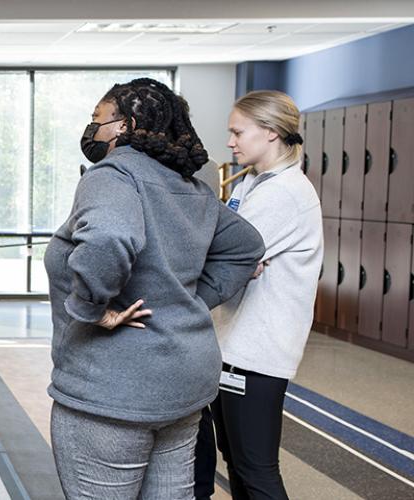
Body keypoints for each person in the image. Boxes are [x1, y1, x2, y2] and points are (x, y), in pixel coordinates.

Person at [44, 77, 265, 499]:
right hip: (182, 386)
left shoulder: (111, 175)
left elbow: (110, 237)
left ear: (123, 126)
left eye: (97, 119)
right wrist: (188, 302)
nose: (91, 129)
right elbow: (246, 247)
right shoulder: (191, 187)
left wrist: (93, 309)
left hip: (113, 390)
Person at [193, 91, 323, 500]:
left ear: (269, 132)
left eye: (237, 132)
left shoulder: (285, 193)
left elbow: (221, 253)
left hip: (258, 354)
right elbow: (227, 250)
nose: (230, 142)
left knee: (256, 469)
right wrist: (236, 259)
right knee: (237, 462)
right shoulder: (252, 181)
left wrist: (233, 257)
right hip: (234, 345)